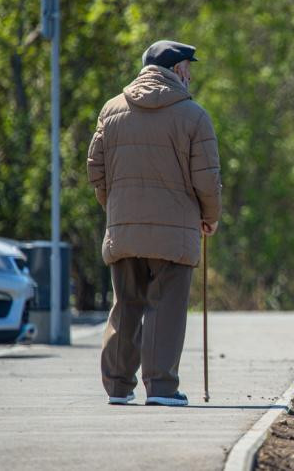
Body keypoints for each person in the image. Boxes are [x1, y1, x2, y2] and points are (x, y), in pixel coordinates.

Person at [87, 40, 222, 406]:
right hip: (175, 234)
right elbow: (207, 179)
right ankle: (161, 388)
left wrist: (115, 209)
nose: (190, 74)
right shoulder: (193, 116)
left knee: (126, 304)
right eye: (188, 67)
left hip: (123, 228)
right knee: (165, 307)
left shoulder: (111, 110)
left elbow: (95, 171)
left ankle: (117, 387)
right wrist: (209, 217)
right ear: (177, 69)